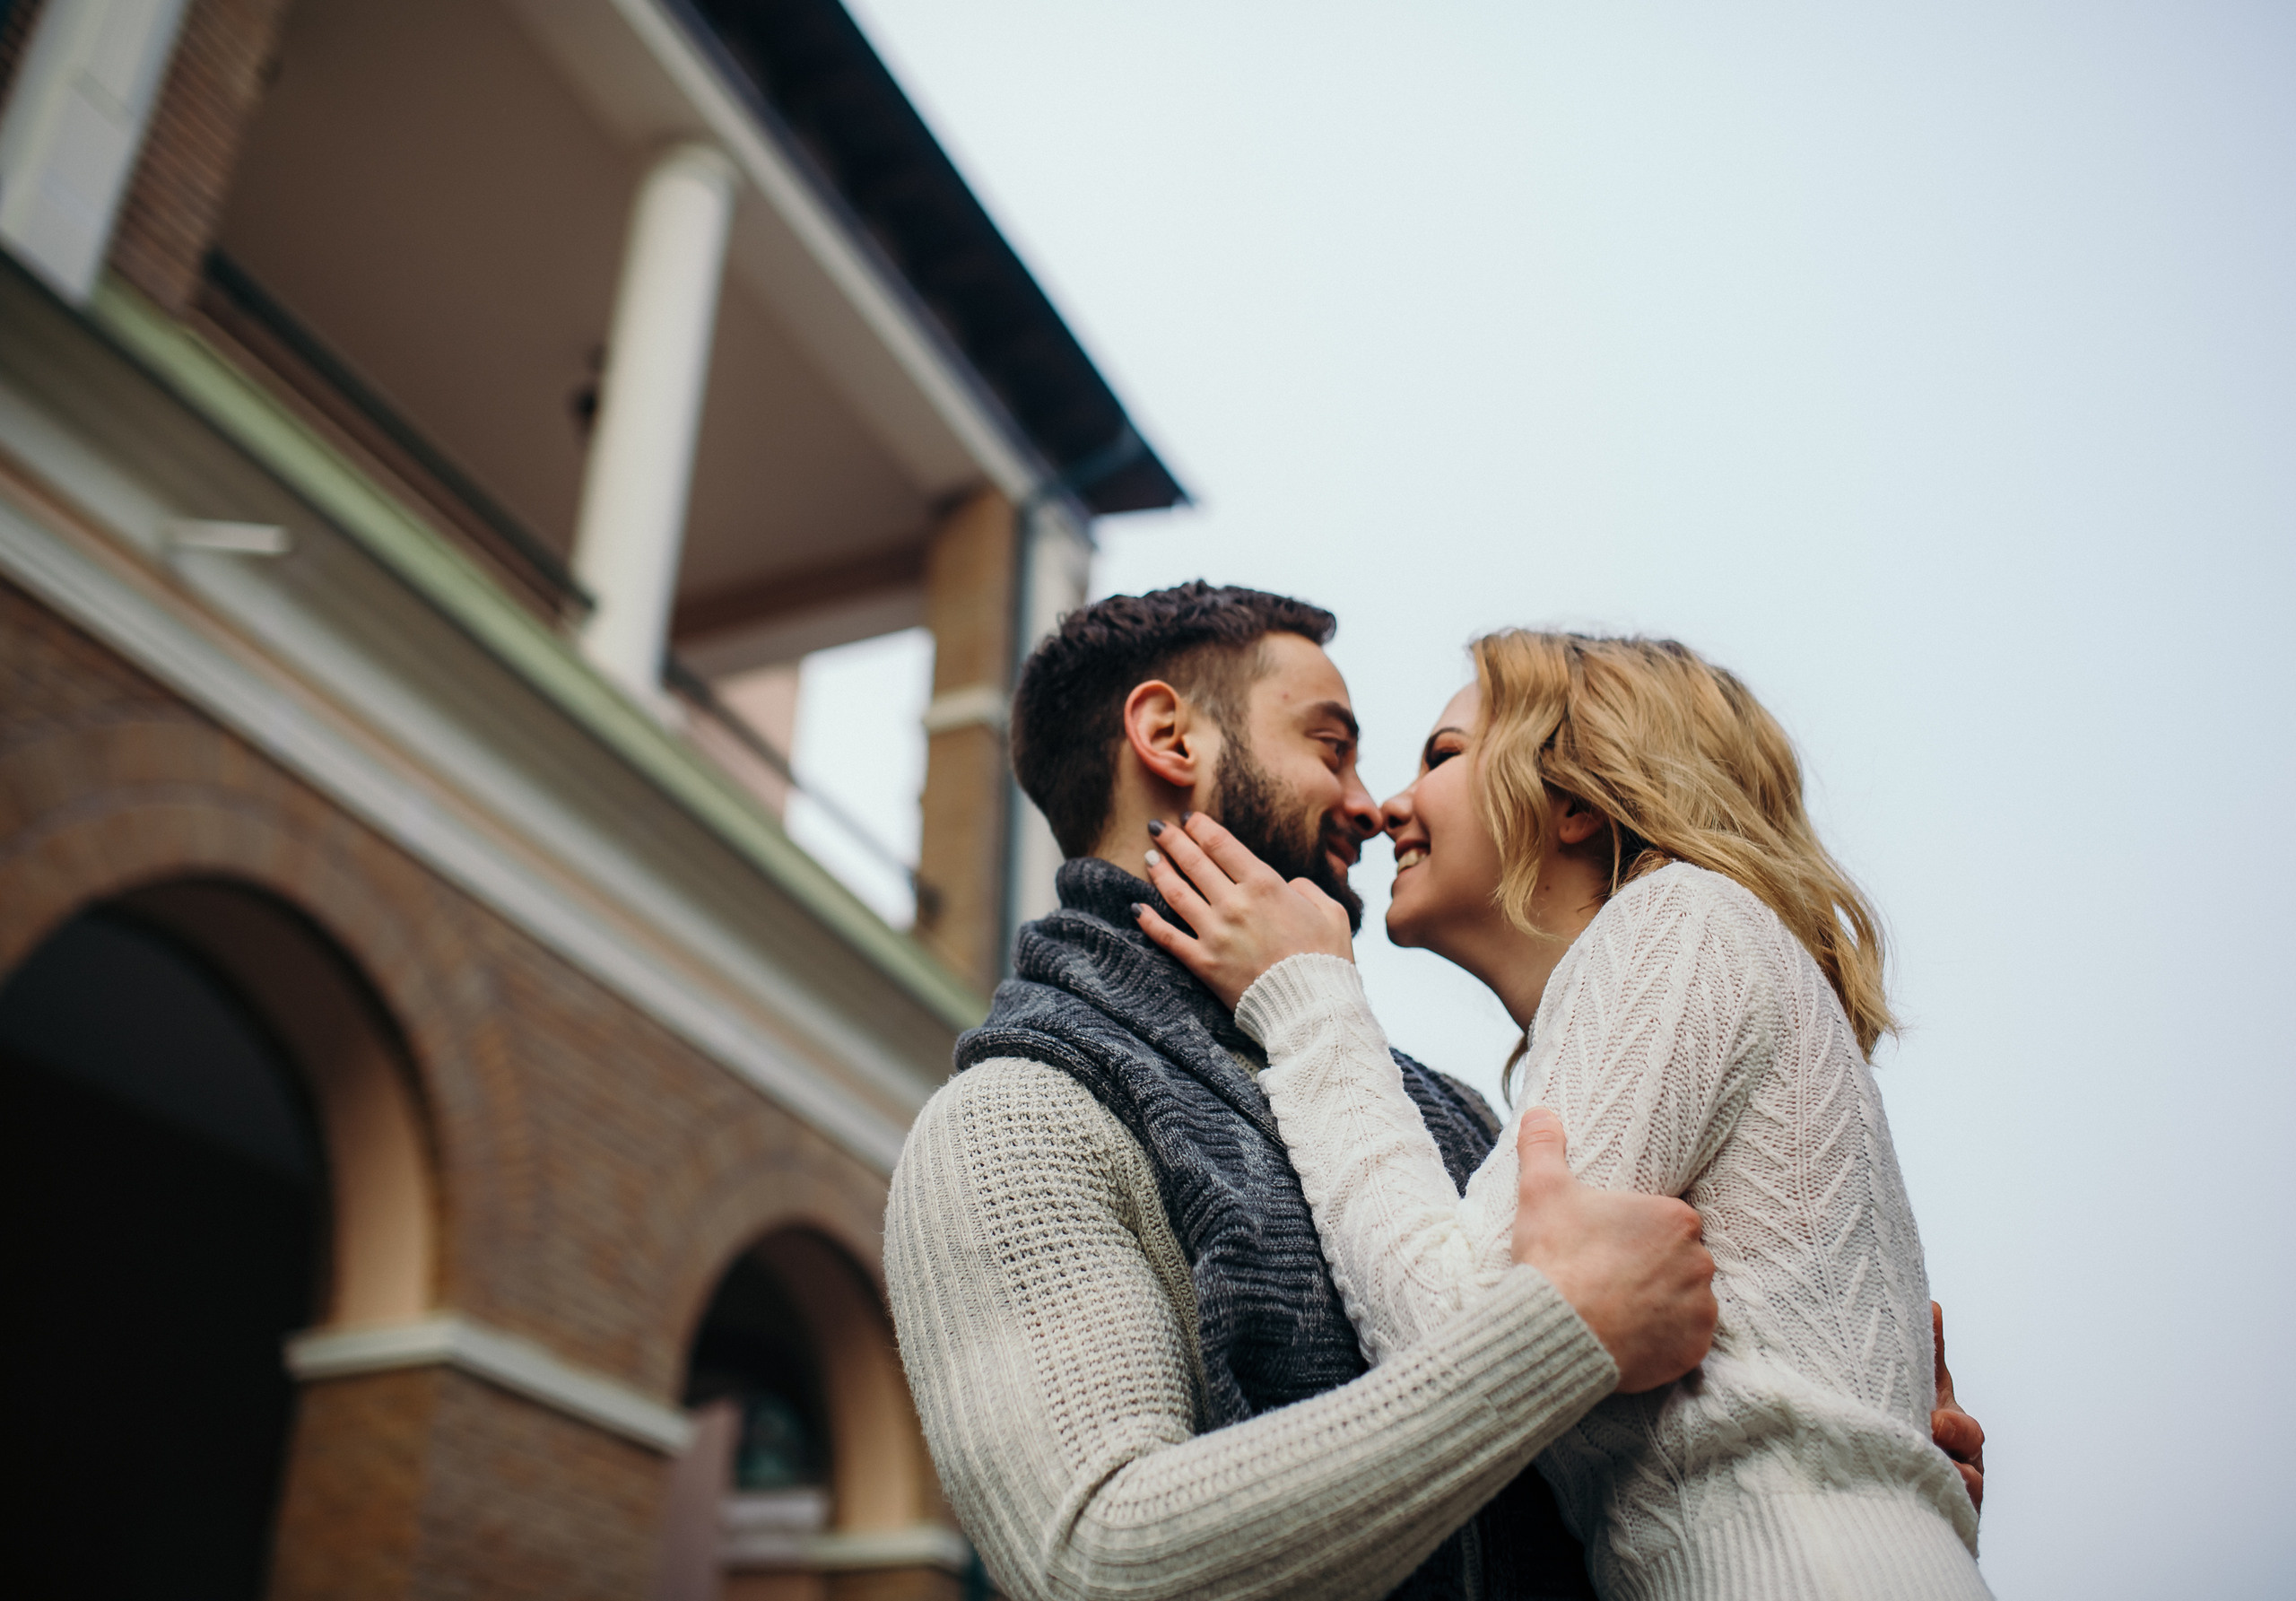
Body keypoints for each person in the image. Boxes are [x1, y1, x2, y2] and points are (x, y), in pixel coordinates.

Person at [883, 586, 1982, 1600]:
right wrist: (1567, 1334)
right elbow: (1094, 1565)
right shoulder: (1016, 1121)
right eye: (1332, 747)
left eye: (1428, 757)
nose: (1374, 806)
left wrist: (1855, 1452)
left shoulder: (1442, 1116)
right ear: (1169, 737)